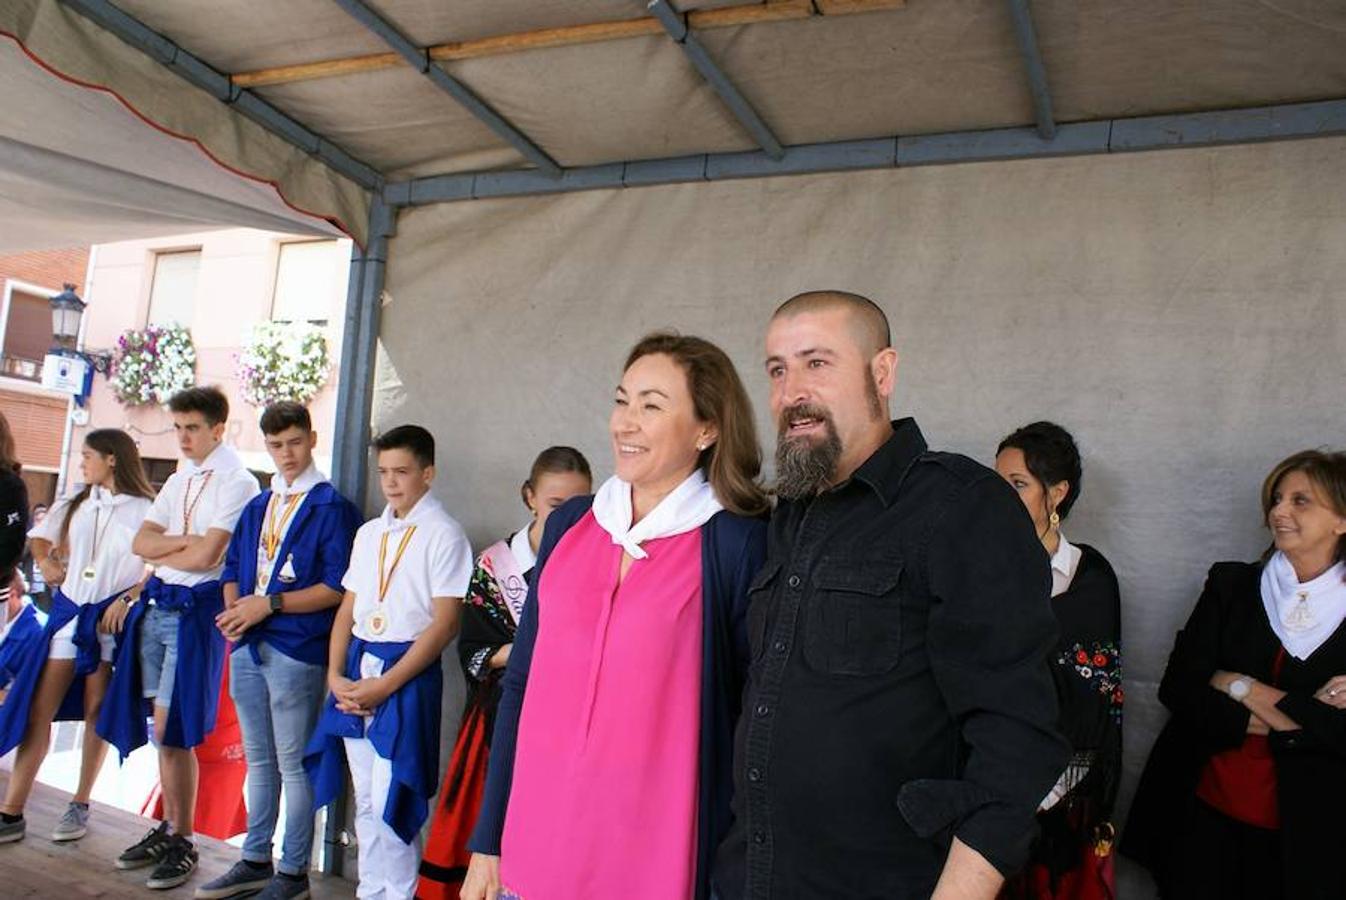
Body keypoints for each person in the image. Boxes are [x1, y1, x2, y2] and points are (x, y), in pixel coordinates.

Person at [714, 291, 1068, 900]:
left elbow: (1017, 733)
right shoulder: (789, 516)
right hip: (750, 878)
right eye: (777, 370)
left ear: (883, 372)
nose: (792, 391)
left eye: (816, 363)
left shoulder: (963, 506)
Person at [462, 332, 770, 900]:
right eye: (622, 400)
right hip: (536, 843)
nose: (624, 422)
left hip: (657, 859)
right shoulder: (570, 525)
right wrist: (488, 838)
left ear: (706, 430)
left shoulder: (734, 542)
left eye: (651, 406)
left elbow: (749, 718)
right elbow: (521, 684)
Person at [1123, 450, 1346, 900]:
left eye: (1301, 501)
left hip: (1309, 837)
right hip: (1201, 815)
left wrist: (1234, 683)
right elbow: (1179, 689)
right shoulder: (1233, 586)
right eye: (1277, 499)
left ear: (1342, 521)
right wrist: (1303, 718)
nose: (1278, 511)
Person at [193, 402, 361, 900]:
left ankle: (293, 873)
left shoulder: (332, 507)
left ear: (311, 439)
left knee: (295, 763)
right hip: (247, 643)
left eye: (293, 442)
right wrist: (234, 613)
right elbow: (232, 570)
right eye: (275, 445)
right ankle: (254, 859)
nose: (285, 454)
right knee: (259, 761)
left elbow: (336, 587)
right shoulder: (258, 505)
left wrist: (268, 605)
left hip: (297, 649)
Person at [99, 386, 260, 890]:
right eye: (179, 428)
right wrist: (178, 547)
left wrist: (172, 550)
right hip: (161, 605)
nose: (184, 437)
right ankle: (169, 827)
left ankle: (184, 837)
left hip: (197, 612)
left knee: (176, 725)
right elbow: (140, 542)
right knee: (158, 726)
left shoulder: (238, 481)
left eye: (192, 428)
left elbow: (208, 556)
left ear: (218, 428)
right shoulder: (178, 476)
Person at [304, 425, 472, 900]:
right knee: (363, 797)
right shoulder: (369, 532)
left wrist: (387, 685)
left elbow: (444, 625)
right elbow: (347, 609)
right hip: (358, 666)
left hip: (407, 672)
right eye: (383, 473)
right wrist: (336, 674)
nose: (391, 483)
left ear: (428, 473)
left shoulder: (444, 534)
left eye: (402, 472)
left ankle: (399, 892)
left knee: (390, 798)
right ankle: (369, 890)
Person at [417, 446, 591, 900]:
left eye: (581, 504)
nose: (568, 517)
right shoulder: (494, 566)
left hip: (570, 724)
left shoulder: (595, 561)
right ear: (529, 497)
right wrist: (534, 650)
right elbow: (473, 650)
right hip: (500, 720)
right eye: (556, 505)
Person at [0, 429, 154, 844]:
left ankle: (80, 802)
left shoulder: (145, 508)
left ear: (112, 459)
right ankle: (12, 808)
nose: (82, 462)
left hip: (106, 620)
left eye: (88, 455)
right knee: (38, 708)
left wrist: (132, 597)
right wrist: (47, 562)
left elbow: (156, 565)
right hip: (69, 612)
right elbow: (39, 539)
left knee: (96, 711)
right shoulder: (77, 499)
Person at [994, 423, 1122, 900]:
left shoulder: (1091, 578)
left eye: (1017, 484)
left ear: (1057, 493)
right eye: (997, 483)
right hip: (990, 783)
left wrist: (1050, 792)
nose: (1001, 497)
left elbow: (1100, 697)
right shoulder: (980, 574)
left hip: (1066, 798)